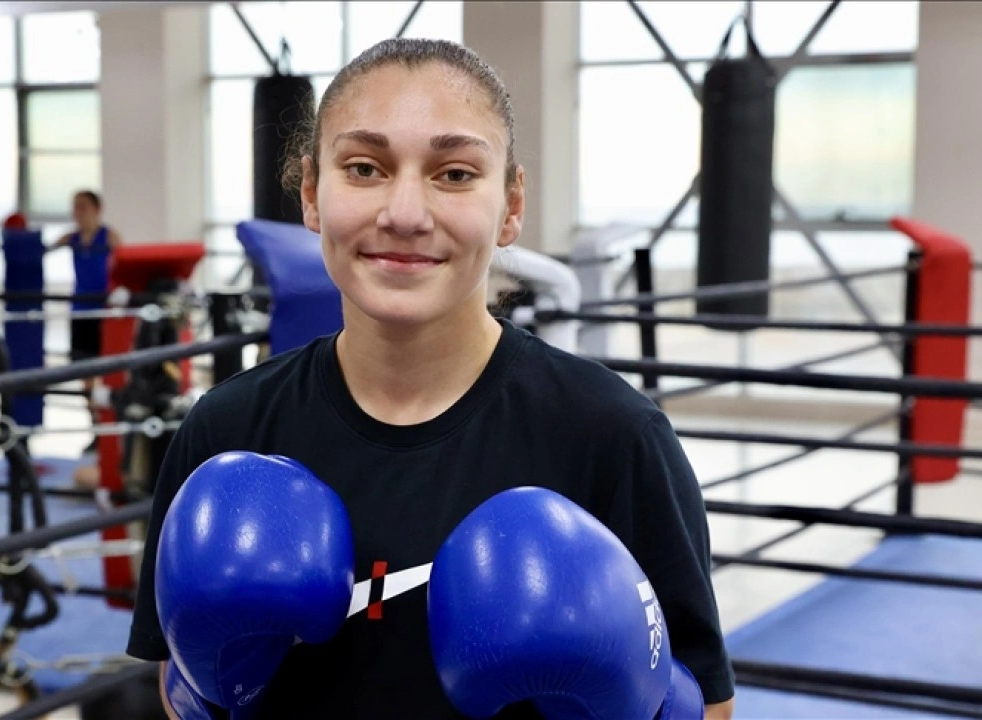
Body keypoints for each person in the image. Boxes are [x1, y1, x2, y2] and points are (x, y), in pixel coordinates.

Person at [126, 38, 735, 720]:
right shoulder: (226, 428)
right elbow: (180, 687)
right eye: (364, 168)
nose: (406, 214)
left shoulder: (613, 437)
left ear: (511, 205)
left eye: (454, 173)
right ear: (311, 195)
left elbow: (708, 706)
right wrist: (211, 692)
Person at [48, 190, 124, 444]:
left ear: (96, 209)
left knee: (109, 371)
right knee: (86, 374)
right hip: (80, 312)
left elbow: (125, 268)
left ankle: (110, 433)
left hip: (105, 312)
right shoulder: (71, 238)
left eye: (82, 206)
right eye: (75, 207)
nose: (77, 212)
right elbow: (41, 251)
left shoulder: (110, 237)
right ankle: (95, 430)